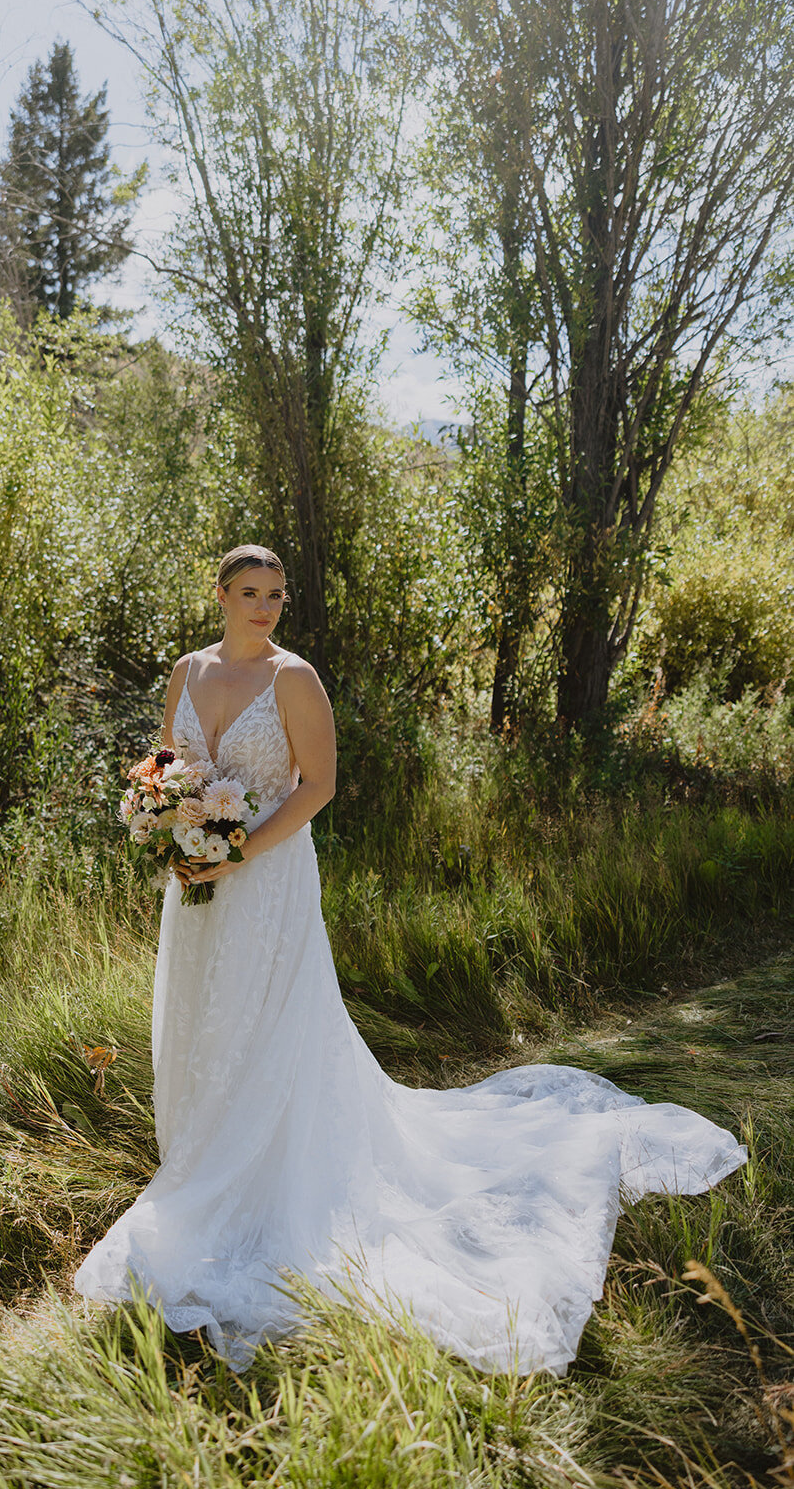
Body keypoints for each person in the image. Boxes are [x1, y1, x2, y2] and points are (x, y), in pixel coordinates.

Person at [73, 543, 746, 1374]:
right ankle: (201, 1159)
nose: (264, 608)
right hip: (194, 881)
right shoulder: (186, 669)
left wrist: (236, 851)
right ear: (218, 593)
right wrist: (171, 822)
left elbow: (315, 786)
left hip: (267, 878)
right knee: (197, 1017)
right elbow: (167, 767)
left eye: (276, 595)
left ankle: (255, 1182)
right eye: (249, 593)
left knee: (269, 1021)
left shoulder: (295, 679)